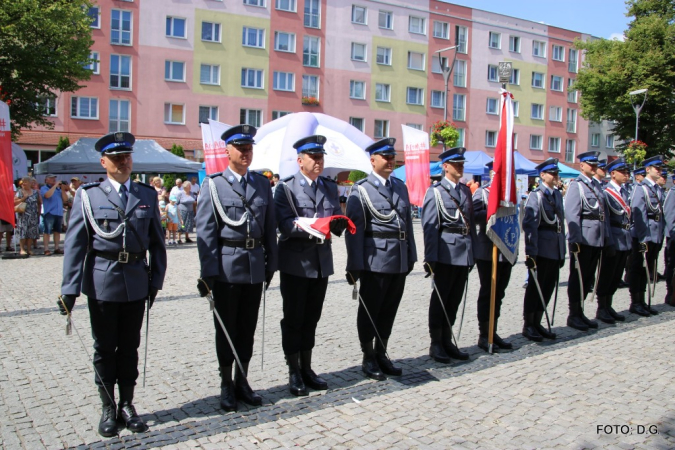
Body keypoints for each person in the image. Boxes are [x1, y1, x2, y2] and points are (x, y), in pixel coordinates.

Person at [58, 132, 166, 437]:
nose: (122, 162)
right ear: (103, 161)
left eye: (127, 156)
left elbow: (157, 244)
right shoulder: (89, 195)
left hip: (135, 279)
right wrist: (69, 289)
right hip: (102, 280)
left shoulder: (146, 195)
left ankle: (128, 404)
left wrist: (155, 280)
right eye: (116, 157)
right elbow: (76, 245)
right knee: (105, 347)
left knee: (130, 346)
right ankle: (108, 406)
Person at [196, 124, 278, 412]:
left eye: (249, 148)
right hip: (227, 267)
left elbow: (269, 227)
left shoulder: (261, 184)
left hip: (255, 265)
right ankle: (226, 383)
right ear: (227, 150)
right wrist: (208, 274)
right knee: (226, 328)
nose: (246, 153)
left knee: (247, 328)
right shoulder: (214, 184)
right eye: (240, 148)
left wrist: (272, 263)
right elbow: (206, 233)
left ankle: (243, 380)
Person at [274, 135, 348, 396]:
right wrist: (315, 227)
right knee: (294, 318)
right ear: (300, 160)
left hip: (321, 263)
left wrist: (337, 225)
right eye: (313, 157)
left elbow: (332, 219)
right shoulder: (286, 189)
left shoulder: (329, 187)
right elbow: (284, 225)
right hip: (296, 262)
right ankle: (293, 370)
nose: (318, 161)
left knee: (312, 318)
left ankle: (307, 367)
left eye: (321, 157)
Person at [345, 138, 416, 380]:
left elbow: (407, 226)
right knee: (371, 310)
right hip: (375, 260)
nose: (390, 160)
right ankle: (368, 356)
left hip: (398, 259)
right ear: (372, 160)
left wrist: (412, 255)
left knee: (389, 309)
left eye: (392, 156)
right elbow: (354, 231)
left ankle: (382, 351)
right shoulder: (362, 188)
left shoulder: (400, 186)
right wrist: (355, 265)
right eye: (385, 157)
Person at [421, 147, 475, 362]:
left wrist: (473, 253)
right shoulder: (435, 192)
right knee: (441, 300)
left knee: (454, 299)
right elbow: (430, 227)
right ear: (445, 166)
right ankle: (436, 343)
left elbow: (469, 224)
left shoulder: (465, 191)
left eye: (462, 163)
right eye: (455, 163)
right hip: (445, 254)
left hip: (463, 253)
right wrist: (431, 258)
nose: (460, 166)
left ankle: (447, 339)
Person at [564, 151, 614, 331]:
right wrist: (575, 240)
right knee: (578, 278)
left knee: (587, 278)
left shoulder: (597, 186)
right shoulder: (576, 186)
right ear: (582, 165)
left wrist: (607, 238)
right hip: (583, 240)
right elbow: (572, 214)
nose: (593, 167)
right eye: (590, 164)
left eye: (595, 165)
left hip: (597, 239)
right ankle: (573, 314)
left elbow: (603, 215)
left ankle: (581, 311)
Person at [521, 158, 566, 341]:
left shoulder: (556, 195)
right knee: (535, 287)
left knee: (548, 287)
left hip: (554, 247)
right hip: (541, 249)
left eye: (556, 174)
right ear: (542, 176)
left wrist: (562, 250)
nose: (555, 177)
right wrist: (531, 252)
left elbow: (561, 223)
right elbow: (530, 225)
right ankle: (528, 324)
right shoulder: (536, 195)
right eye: (552, 174)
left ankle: (538, 321)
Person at [472, 161, 514, 352]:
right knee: (488, 292)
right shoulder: (483, 192)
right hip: (487, 251)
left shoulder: (510, 196)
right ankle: (484, 334)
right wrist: (491, 212)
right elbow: (473, 215)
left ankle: (493, 330)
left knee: (500, 293)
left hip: (505, 250)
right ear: (492, 174)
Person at [594, 158, 632, 324]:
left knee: (616, 275)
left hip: (624, 237)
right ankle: (602, 308)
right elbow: (606, 220)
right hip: (613, 238)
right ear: (613, 174)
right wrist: (608, 241)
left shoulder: (624, 191)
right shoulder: (606, 192)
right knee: (607, 274)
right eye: (622, 172)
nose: (626, 175)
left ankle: (609, 305)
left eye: (626, 172)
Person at [629, 155, 666, 316]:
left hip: (656, 234)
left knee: (648, 268)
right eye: (656, 168)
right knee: (638, 268)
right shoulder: (641, 188)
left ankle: (642, 300)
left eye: (660, 168)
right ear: (647, 170)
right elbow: (639, 215)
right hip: (644, 234)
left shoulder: (657, 188)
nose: (659, 171)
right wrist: (643, 238)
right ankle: (635, 301)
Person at [40, 174, 68, 255]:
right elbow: (47, 195)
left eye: (54, 178)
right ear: (46, 180)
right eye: (51, 178)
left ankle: (56, 248)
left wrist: (62, 190)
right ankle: (46, 249)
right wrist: (55, 185)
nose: (53, 180)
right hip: (50, 213)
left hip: (59, 213)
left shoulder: (58, 189)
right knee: (47, 232)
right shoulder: (44, 188)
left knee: (57, 232)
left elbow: (65, 199)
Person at [14, 176, 41, 255]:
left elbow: (39, 202)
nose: (24, 183)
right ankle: (22, 249)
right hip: (23, 215)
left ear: (30, 183)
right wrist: (24, 197)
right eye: (23, 182)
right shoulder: (20, 192)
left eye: (26, 182)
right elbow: (14, 202)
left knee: (31, 233)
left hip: (33, 215)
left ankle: (29, 249)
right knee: (23, 232)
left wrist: (39, 212)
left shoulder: (35, 192)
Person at [664, 172, 675, 306]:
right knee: (672, 266)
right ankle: (671, 293)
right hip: (674, 236)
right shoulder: (672, 193)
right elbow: (669, 215)